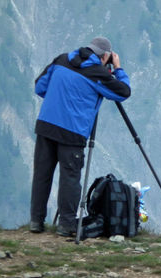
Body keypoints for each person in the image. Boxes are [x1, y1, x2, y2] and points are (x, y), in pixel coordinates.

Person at [29, 36, 131, 236]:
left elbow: (40, 87)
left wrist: (60, 99)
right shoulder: (97, 73)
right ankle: (66, 225)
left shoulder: (62, 59)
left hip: (46, 125)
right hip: (72, 132)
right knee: (70, 177)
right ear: (105, 57)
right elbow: (123, 91)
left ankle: (36, 222)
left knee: (42, 174)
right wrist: (118, 69)